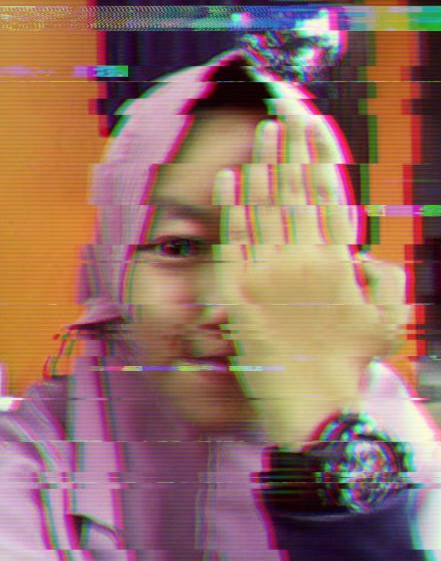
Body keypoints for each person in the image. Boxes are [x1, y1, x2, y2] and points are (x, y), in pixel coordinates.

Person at [0, 33, 440, 560]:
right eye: (179, 247)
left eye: (272, 251)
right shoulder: (29, 464)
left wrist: (326, 437)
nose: (224, 308)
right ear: (114, 271)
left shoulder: (395, 438)